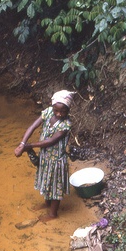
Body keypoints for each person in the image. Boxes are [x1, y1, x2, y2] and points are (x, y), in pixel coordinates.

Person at [14, 90, 75, 222]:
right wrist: (22, 143)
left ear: (68, 110)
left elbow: (51, 141)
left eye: (63, 111)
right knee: (47, 181)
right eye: (56, 110)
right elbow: (32, 127)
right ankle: (47, 204)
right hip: (45, 157)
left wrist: (29, 146)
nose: (59, 114)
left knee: (55, 187)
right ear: (52, 107)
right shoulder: (47, 112)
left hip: (57, 161)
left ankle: (53, 214)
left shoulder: (66, 124)